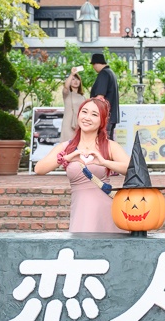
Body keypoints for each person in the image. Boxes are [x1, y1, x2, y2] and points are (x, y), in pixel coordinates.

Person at [34, 97, 130, 232]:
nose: (87, 117)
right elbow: (39, 169)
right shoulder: (66, 147)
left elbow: (132, 169)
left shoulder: (109, 146)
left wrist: (104, 162)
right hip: (80, 213)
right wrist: (67, 157)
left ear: (102, 121)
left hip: (106, 211)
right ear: (78, 115)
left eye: (94, 114)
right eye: (84, 112)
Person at [89, 53, 120, 140]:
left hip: (104, 116)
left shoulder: (104, 74)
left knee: (102, 143)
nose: (93, 68)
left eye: (93, 65)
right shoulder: (111, 73)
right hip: (111, 116)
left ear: (95, 64)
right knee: (108, 142)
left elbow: (100, 97)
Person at [60, 67, 87, 142]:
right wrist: (72, 74)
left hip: (79, 125)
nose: (76, 81)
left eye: (77, 79)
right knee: (67, 146)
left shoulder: (83, 98)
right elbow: (66, 87)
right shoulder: (67, 94)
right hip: (68, 125)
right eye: (73, 79)